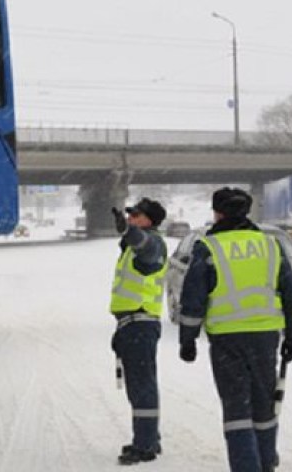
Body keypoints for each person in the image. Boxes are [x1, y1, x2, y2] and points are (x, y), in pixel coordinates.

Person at [178, 187, 292, 472]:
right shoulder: (270, 245)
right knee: (264, 407)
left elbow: (193, 299)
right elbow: (291, 293)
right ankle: (266, 461)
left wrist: (188, 340)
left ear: (218, 213)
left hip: (227, 339)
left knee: (237, 410)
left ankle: (247, 467)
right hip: (265, 338)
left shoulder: (208, 247)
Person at [109, 197, 168, 465]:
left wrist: (129, 231)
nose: (131, 217)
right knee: (139, 385)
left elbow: (145, 247)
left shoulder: (151, 242)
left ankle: (144, 445)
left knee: (142, 386)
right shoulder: (132, 249)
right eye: (130, 215)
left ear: (149, 221)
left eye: (137, 215)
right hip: (133, 323)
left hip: (140, 321)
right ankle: (149, 438)